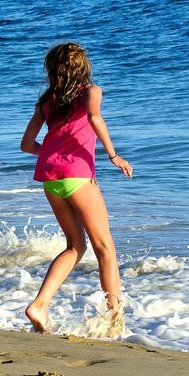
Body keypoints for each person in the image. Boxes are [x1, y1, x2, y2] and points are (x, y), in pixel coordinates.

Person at [19, 42, 133, 336]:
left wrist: (55, 154)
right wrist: (113, 156)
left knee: (75, 246)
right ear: (84, 67)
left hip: (51, 179)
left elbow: (27, 145)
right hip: (78, 178)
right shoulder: (91, 93)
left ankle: (39, 305)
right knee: (105, 249)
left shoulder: (46, 101)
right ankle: (114, 321)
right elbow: (95, 118)